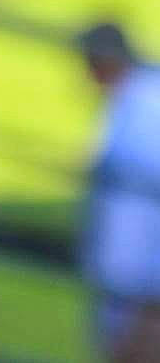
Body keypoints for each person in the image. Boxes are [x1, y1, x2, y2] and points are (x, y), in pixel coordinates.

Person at [78, 22, 160, 362]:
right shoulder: (129, 99)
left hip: (144, 301)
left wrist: (149, 312)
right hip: (126, 293)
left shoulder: (147, 107)